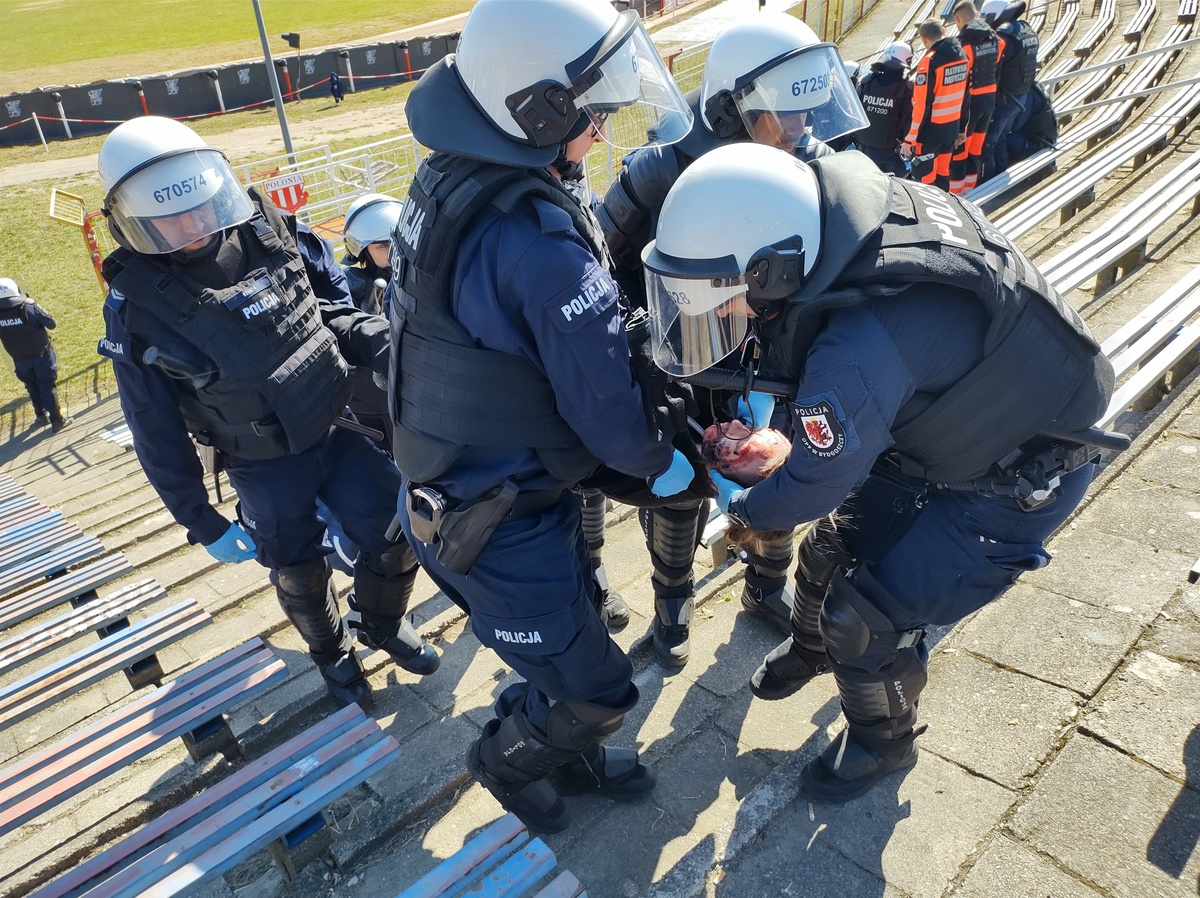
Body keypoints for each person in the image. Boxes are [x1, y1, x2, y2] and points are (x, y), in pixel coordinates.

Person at [643, 142, 1116, 803]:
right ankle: (813, 649)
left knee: (863, 621)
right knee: (828, 549)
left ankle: (884, 743)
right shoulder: (836, 230)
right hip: (953, 424)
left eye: (714, 297)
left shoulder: (857, 344)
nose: (709, 315)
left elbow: (816, 479)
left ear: (770, 271)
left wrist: (744, 512)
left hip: (1017, 474)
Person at [388, 0, 698, 833]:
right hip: (497, 523)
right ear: (538, 113)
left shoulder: (457, 175)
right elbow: (609, 419)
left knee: (574, 637)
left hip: (483, 488)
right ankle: (504, 761)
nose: (603, 130)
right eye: (593, 114)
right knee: (599, 690)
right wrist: (666, 461)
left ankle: (571, 751)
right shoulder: (536, 240)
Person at [94, 116, 438, 709]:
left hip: (338, 426)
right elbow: (153, 428)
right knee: (297, 567)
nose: (193, 228)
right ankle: (332, 654)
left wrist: (386, 342)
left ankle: (380, 622)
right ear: (135, 223)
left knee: (398, 530)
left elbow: (328, 311)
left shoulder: (274, 234)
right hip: (260, 460)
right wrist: (200, 519)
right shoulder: (136, 308)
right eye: (171, 221)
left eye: (202, 208)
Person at [595, 12, 870, 665]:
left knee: (778, 474)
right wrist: (646, 339)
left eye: (809, 112)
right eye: (786, 114)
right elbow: (600, 265)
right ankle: (672, 612)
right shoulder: (660, 171)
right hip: (680, 362)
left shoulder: (814, 166)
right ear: (730, 111)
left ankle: (765, 587)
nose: (803, 128)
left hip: (771, 362)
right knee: (677, 499)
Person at [341, 192, 404, 453]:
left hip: (410, 400)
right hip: (370, 408)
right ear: (362, 249)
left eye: (396, 241)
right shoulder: (348, 288)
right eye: (382, 246)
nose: (393, 251)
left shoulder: (420, 279)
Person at [902, 20, 969, 191]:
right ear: (944, 31)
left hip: (930, 133)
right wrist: (962, 129)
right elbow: (965, 96)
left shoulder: (929, 61)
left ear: (923, 39)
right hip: (951, 129)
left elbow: (921, 104)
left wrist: (910, 138)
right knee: (943, 174)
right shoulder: (963, 56)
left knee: (925, 180)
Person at [0, 278, 71, 432]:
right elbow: (51, 323)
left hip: (19, 359)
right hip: (41, 356)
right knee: (47, 386)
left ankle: (41, 416)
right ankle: (57, 421)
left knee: (32, 387)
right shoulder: (28, 306)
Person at [981, 0, 1040, 181]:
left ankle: (989, 181)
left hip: (1004, 98)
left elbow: (992, 66)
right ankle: (998, 176)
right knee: (1001, 138)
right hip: (1019, 96)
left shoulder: (1005, 36)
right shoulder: (1025, 30)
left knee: (989, 142)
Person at [950, 1, 1003, 192]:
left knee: (959, 154)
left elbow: (960, 79)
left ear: (958, 19)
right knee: (975, 152)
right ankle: (970, 190)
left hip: (970, 105)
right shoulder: (995, 38)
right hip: (988, 102)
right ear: (977, 13)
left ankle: (957, 195)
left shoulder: (963, 44)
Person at [854, 42, 914, 176]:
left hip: (862, 151)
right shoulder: (906, 87)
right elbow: (908, 120)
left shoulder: (867, 81)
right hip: (890, 157)